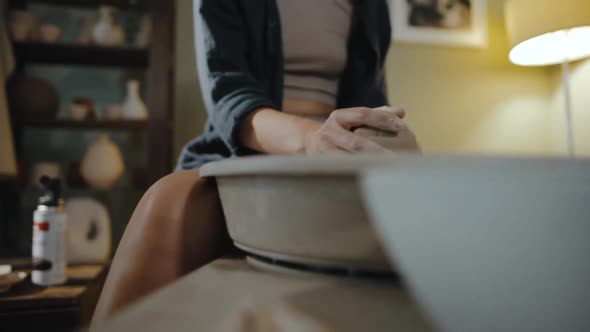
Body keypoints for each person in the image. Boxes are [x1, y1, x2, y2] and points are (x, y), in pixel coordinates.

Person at [92, 0, 417, 323]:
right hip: (247, 147)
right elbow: (230, 95)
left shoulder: (374, 5)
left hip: (337, 159)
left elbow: (370, 95)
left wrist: (385, 136)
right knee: (168, 201)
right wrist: (311, 139)